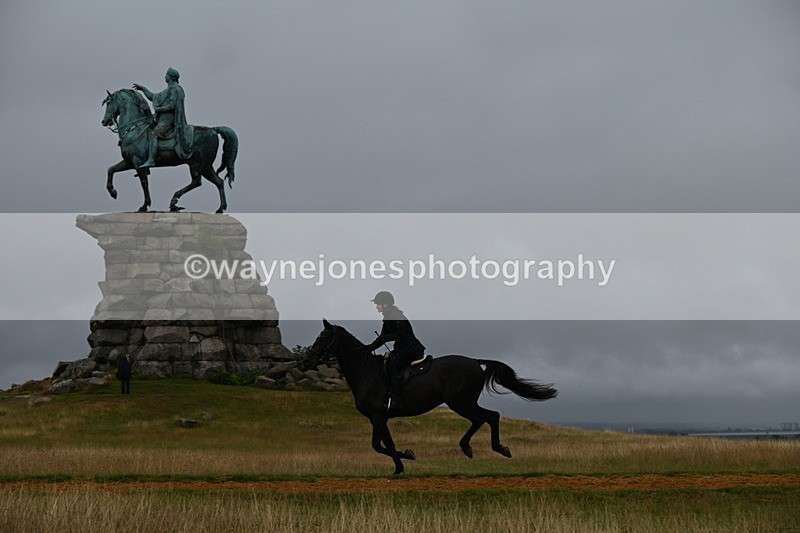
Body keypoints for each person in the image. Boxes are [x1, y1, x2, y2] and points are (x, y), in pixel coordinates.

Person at [366, 291, 425, 410]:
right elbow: (382, 338)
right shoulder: (388, 316)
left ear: (386, 305)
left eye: (378, 304)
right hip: (403, 349)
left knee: (392, 367)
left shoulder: (395, 315)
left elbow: (401, 333)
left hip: (410, 349)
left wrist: (385, 338)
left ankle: (397, 400)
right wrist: (368, 348)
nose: (377, 306)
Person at [132, 67, 193, 167]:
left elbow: (173, 105)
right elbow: (153, 97)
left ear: (170, 77)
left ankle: (151, 160)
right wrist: (143, 89)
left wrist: (160, 109)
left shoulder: (175, 89)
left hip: (169, 122)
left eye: (166, 75)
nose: (165, 76)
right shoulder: (167, 90)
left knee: (153, 134)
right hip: (162, 121)